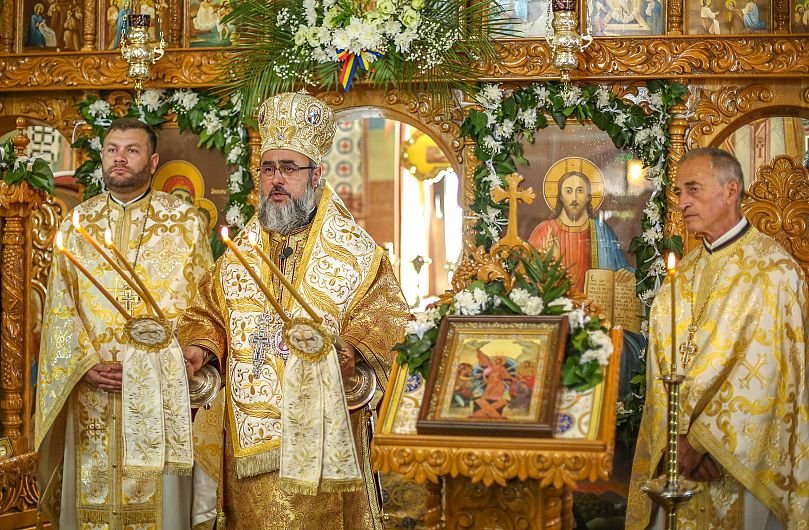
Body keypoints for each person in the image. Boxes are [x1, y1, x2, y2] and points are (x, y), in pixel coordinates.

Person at [178, 92, 409, 530]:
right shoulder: (239, 253)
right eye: (268, 169)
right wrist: (200, 349)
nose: (276, 180)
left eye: (289, 168)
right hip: (249, 452)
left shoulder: (358, 255)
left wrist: (351, 352)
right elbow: (207, 314)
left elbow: (388, 321)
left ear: (316, 174)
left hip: (325, 447)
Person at [35, 117, 214, 528]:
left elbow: (202, 304)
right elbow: (60, 307)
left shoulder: (186, 223)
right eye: (112, 149)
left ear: (152, 162)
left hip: (157, 389)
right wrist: (84, 365)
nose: (120, 158)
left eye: (131, 150)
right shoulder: (77, 224)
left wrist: (170, 360)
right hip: (91, 390)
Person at [626, 148, 809, 529]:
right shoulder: (682, 276)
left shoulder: (775, 272)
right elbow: (663, 367)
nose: (682, 202)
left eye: (693, 189)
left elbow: (774, 376)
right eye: (678, 192)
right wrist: (676, 440)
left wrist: (702, 443)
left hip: (742, 464)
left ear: (730, 191)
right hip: (678, 461)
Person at [528, 165, 633, 293]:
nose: (574, 198)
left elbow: (622, 269)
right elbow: (527, 278)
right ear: (560, 196)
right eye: (568, 191)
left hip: (595, 303)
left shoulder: (603, 231)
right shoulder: (544, 231)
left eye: (580, 191)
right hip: (556, 304)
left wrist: (628, 274)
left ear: (588, 196)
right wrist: (550, 260)